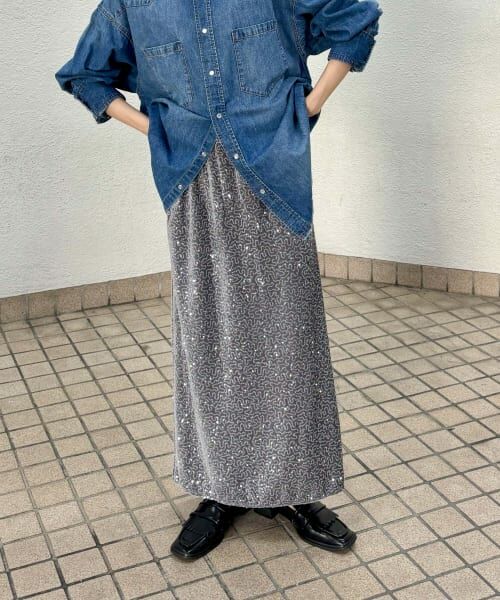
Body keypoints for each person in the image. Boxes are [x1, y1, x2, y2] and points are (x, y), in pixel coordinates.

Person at [55, 0, 382, 561]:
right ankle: (218, 490)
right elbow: (86, 75)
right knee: (210, 338)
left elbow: (357, 17)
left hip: (274, 173)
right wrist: (158, 129)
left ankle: (297, 489)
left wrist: (308, 105)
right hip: (192, 182)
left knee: (288, 337)